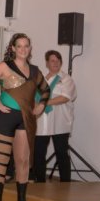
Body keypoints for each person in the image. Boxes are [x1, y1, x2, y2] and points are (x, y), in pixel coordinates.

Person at [0, 33, 50, 201]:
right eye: (19, 46)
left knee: (23, 160)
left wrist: (42, 105)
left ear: (30, 48)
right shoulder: (5, 66)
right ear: (13, 48)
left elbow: (46, 90)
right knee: (1, 160)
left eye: (26, 46)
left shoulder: (35, 71)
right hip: (4, 117)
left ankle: (21, 200)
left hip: (25, 119)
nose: (23, 49)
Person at [34, 51, 77, 183]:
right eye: (52, 60)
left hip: (60, 123)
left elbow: (65, 98)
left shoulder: (66, 79)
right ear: (47, 63)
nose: (56, 63)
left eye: (58, 60)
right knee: (38, 153)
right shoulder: (40, 79)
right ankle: (39, 182)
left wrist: (43, 103)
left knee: (62, 154)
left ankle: (65, 184)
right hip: (41, 123)